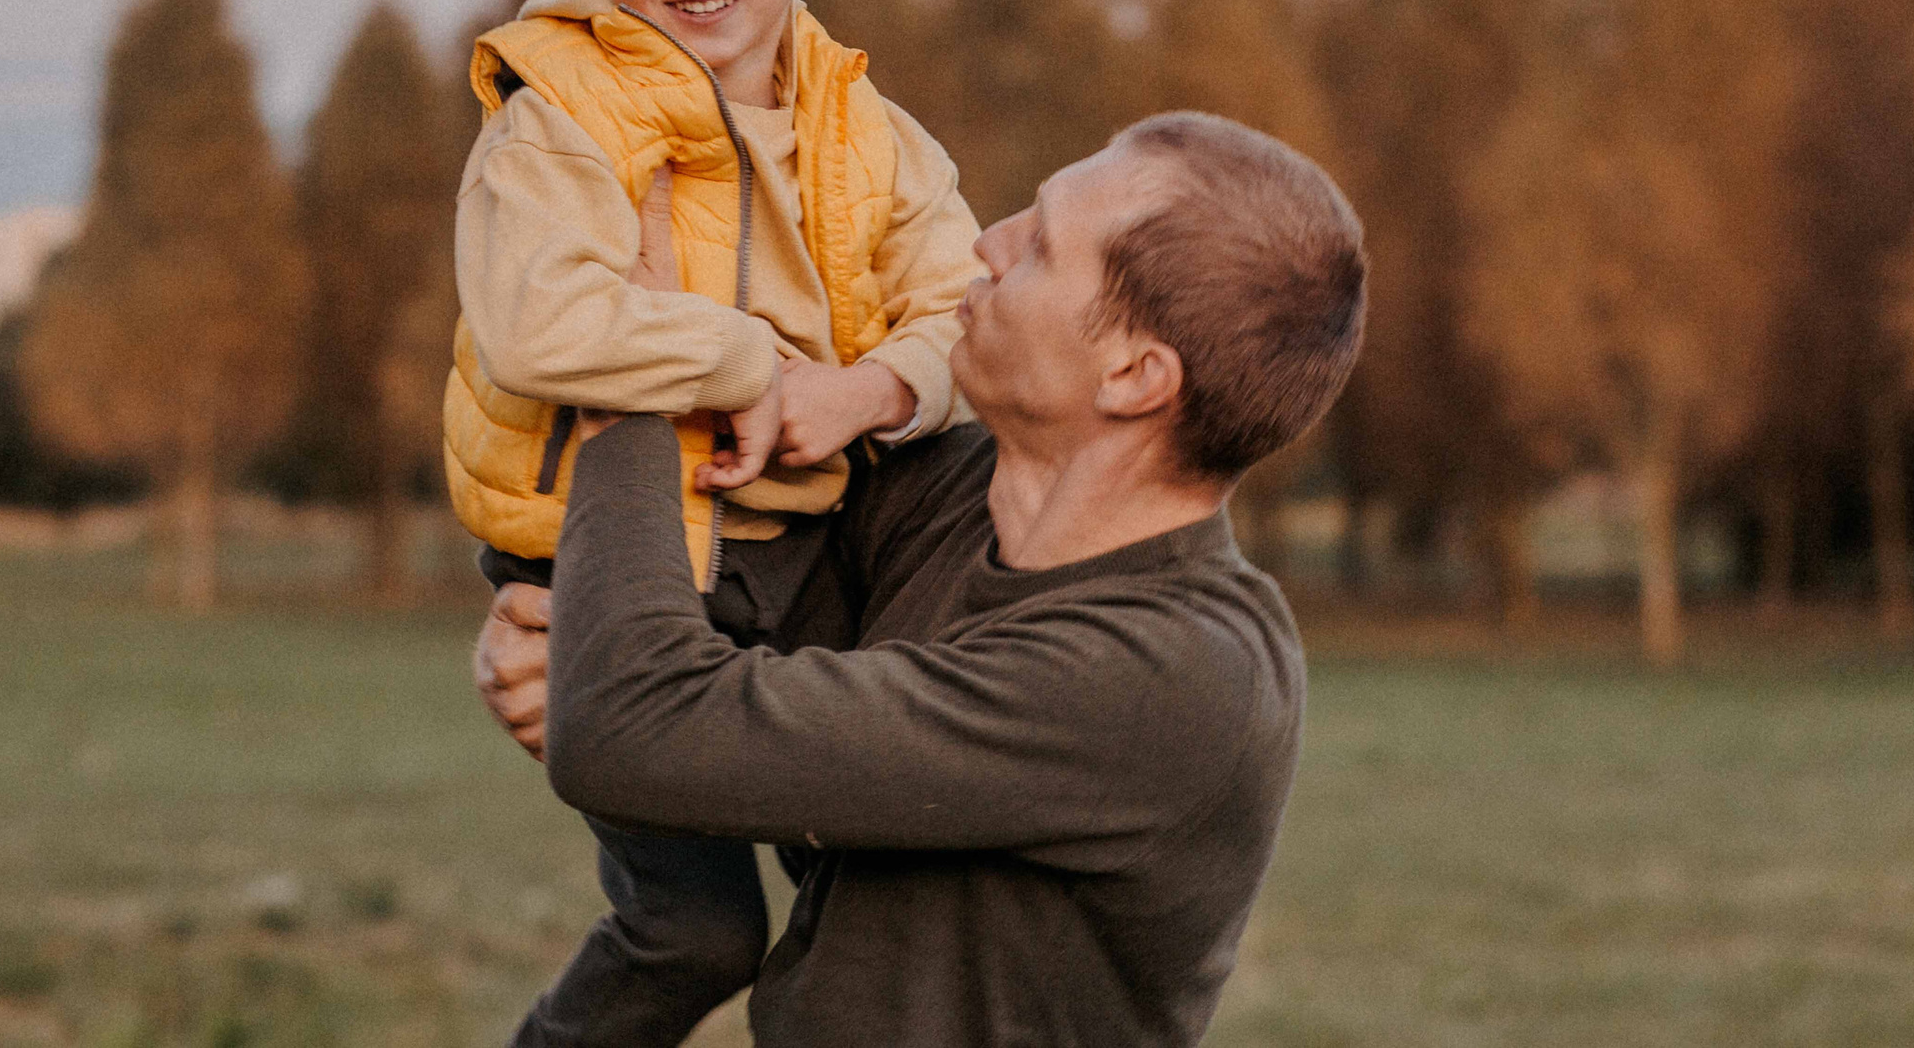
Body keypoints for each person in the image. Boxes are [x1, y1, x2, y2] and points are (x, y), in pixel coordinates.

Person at [477, 113, 1368, 1046]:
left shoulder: (1172, 676)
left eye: (1041, 243)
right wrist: (546, 623)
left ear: (1134, 375)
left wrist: (627, 361)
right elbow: (678, 627)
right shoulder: (949, 497)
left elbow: (638, 721)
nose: (990, 240)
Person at [446, 0, 983, 1044]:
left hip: (802, 546)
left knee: (874, 889)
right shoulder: (559, 114)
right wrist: (754, 358)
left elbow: (959, 310)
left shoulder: (870, 130)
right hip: (609, 555)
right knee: (693, 926)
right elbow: (539, 324)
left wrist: (863, 394)